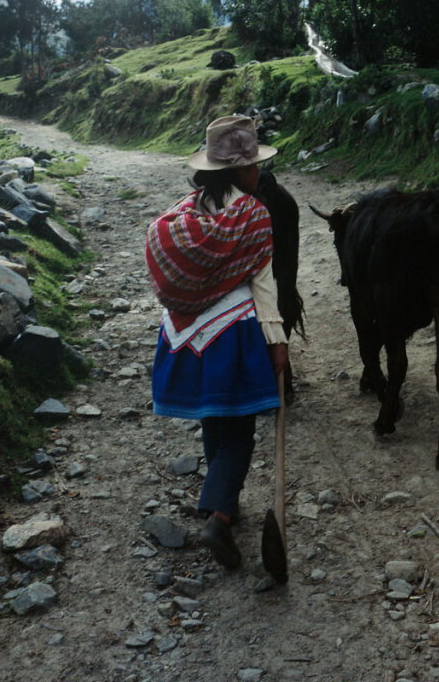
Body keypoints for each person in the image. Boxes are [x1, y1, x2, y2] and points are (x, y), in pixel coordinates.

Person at [145, 115, 289, 570]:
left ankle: (222, 500)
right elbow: (264, 283)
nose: (259, 173)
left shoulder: (182, 213)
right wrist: (277, 339)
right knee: (240, 434)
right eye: (253, 166)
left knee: (213, 417)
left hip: (185, 336)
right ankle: (218, 517)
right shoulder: (253, 214)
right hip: (233, 333)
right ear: (237, 172)